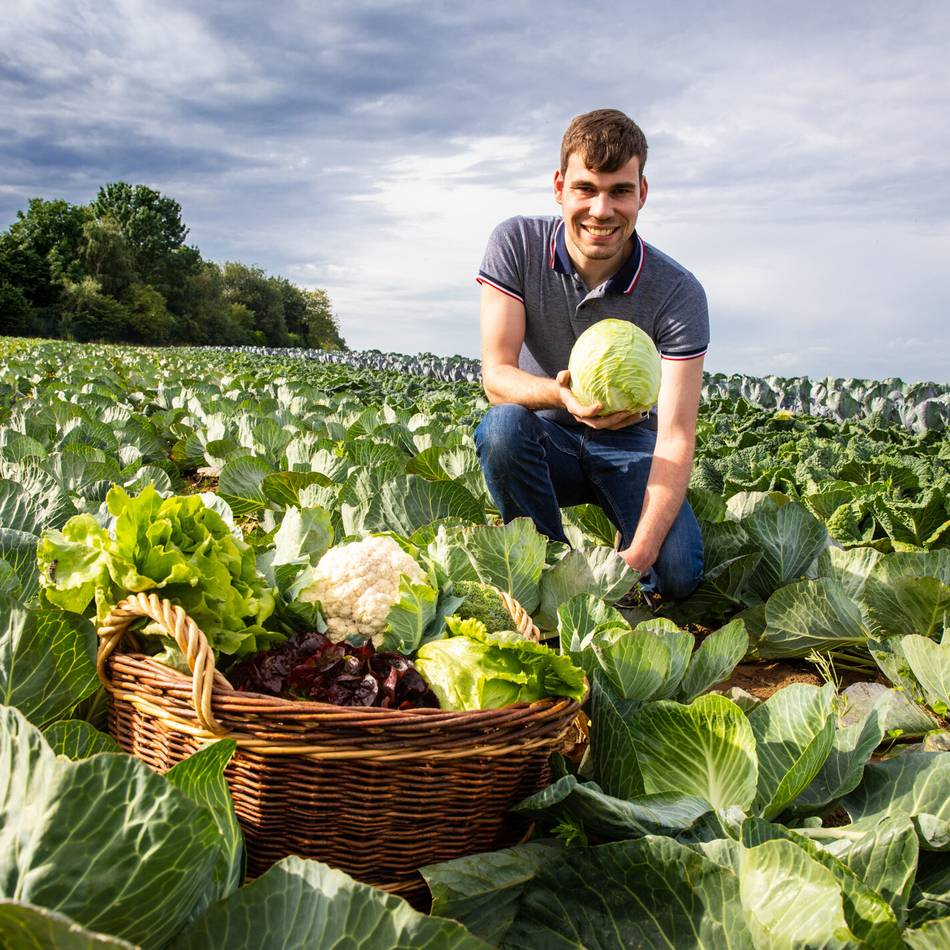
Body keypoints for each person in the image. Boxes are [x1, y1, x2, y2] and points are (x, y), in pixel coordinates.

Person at [474, 108, 707, 601]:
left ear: (642, 193)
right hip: (548, 438)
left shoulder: (678, 290)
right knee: (502, 429)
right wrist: (564, 398)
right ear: (559, 186)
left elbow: (677, 437)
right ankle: (547, 566)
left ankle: (624, 548)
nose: (601, 210)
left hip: (631, 447)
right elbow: (497, 376)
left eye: (620, 190)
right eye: (586, 188)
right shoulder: (516, 243)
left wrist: (640, 556)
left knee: (678, 575)